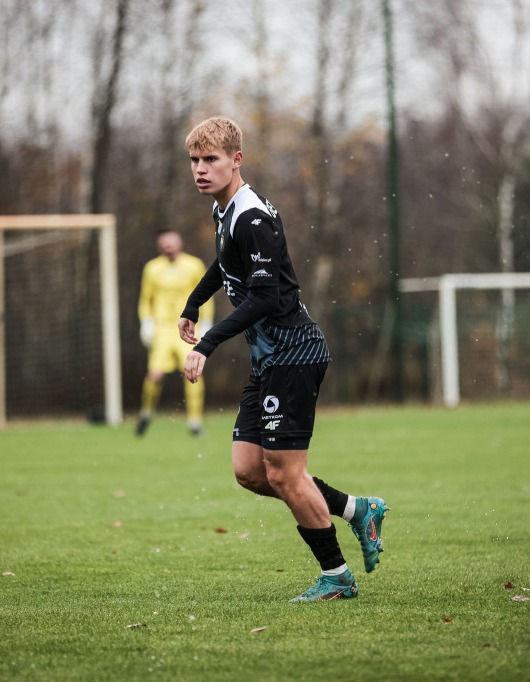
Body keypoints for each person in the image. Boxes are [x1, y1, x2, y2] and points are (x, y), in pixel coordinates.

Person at [176, 116, 388, 601]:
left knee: (285, 473)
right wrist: (194, 302)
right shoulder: (225, 212)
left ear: (236, 160)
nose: (201, 169)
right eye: (195, 160)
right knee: (250, 471)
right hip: (270, 359)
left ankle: (336, 577)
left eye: (211, 159)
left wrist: (207, 343)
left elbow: (266, 298)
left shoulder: (253, 216)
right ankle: (358, 510)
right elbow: (226, 260)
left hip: (294, 354)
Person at [136, 230, 213, 437]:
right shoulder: (152, 268)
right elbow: (146, 298)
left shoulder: (194, 265)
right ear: (160, 246)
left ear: (180, 243)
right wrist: (146, 321)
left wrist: (206, 320)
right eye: (164, 243)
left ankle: (195, 422)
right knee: (155, 374)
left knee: (193, 373)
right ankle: (146, 413)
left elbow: (206, 292)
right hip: (162, 328)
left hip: (188, 326)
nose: (168, 246)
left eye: (172, 242)